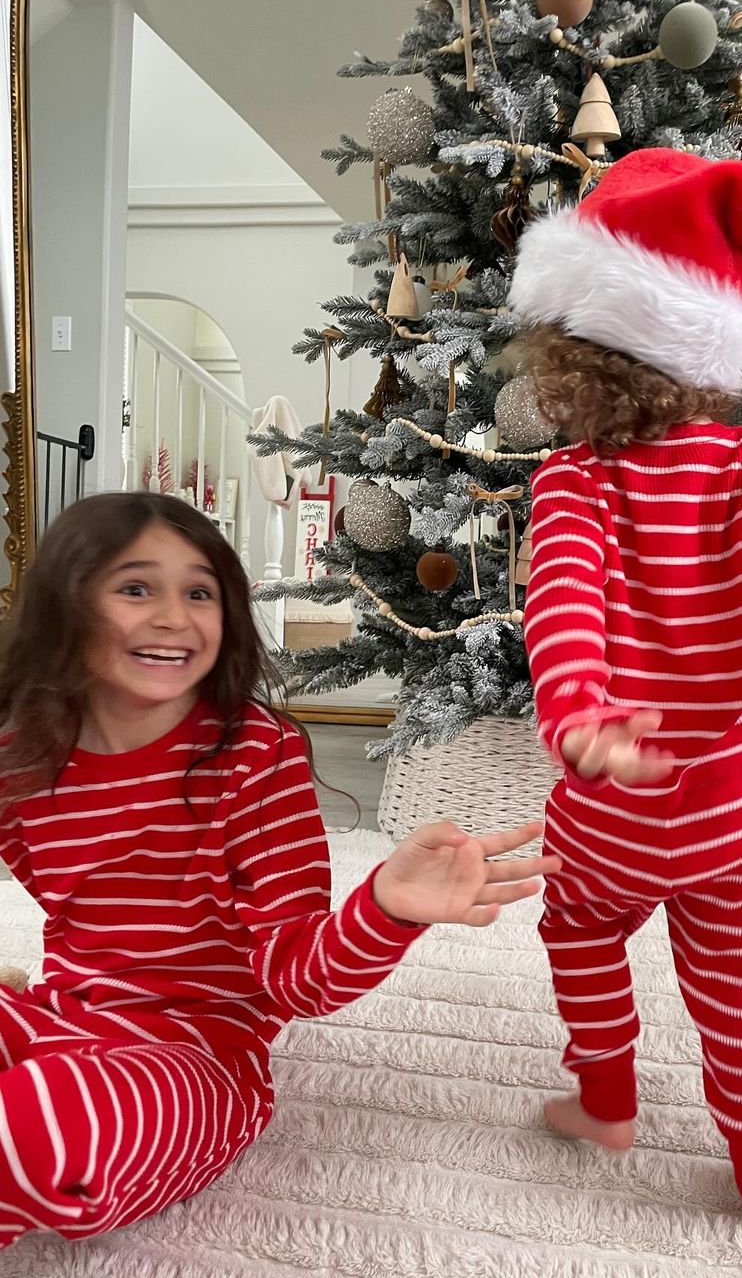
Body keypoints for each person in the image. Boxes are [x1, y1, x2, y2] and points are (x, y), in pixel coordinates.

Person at [0, 492, 558, 1249]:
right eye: (136, 588)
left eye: (199, 592)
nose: (173, 615)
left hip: (193, 1060)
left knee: (39, 1131)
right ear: (66, 606)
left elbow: (297, 976)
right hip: (60, 1015)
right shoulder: (24, 757)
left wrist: (386, 909)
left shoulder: (257, 756)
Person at [510, 150, 742, 1228]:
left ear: (571, 352)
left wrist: (581, 713)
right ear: (713, 345)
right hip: (734, 803)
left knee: (577, 930)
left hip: (608, 804)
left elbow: (562, 605)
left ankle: (607, 1103)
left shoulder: (570, 478)